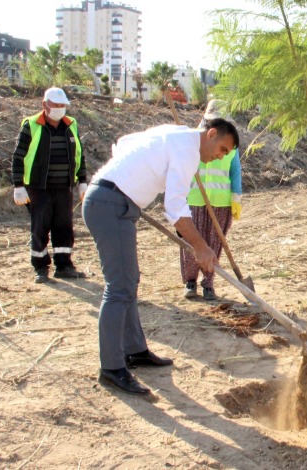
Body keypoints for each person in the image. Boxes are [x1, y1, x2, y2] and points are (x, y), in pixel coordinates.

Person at [82, 119, 239, 395]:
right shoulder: (188, 151)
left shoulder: (176, 134)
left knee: (129, 282)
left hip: (115, 201)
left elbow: (124, 143)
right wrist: (201, 247)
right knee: (119, 287)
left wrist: (131, 179)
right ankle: (111, 368)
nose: (220, 156)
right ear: (211, 134)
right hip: (109, 203)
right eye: (222, 149)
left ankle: (135, 351)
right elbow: (175, 207)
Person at [11, 87, 88, 283]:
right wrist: (18, 185)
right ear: (45, 104)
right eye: (56, 105)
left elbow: (79, 155)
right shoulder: (32, 125)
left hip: (64, 187)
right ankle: (40, 267)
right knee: (40, 228)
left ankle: (64, 265)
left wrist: (82, 181)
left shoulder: (71, 124)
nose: (60, 109)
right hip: (39, 188)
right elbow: (18, 156)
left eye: (63, 106)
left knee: (64, 227)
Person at [180, 100, 243, 301]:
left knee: (214, 243)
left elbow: (236, 172)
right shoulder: (193, 141)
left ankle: (208, 283)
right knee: (192, 241)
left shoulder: (231, 147)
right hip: (195, 199)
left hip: (220, 202)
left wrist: (236, 197)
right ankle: (190, 281)